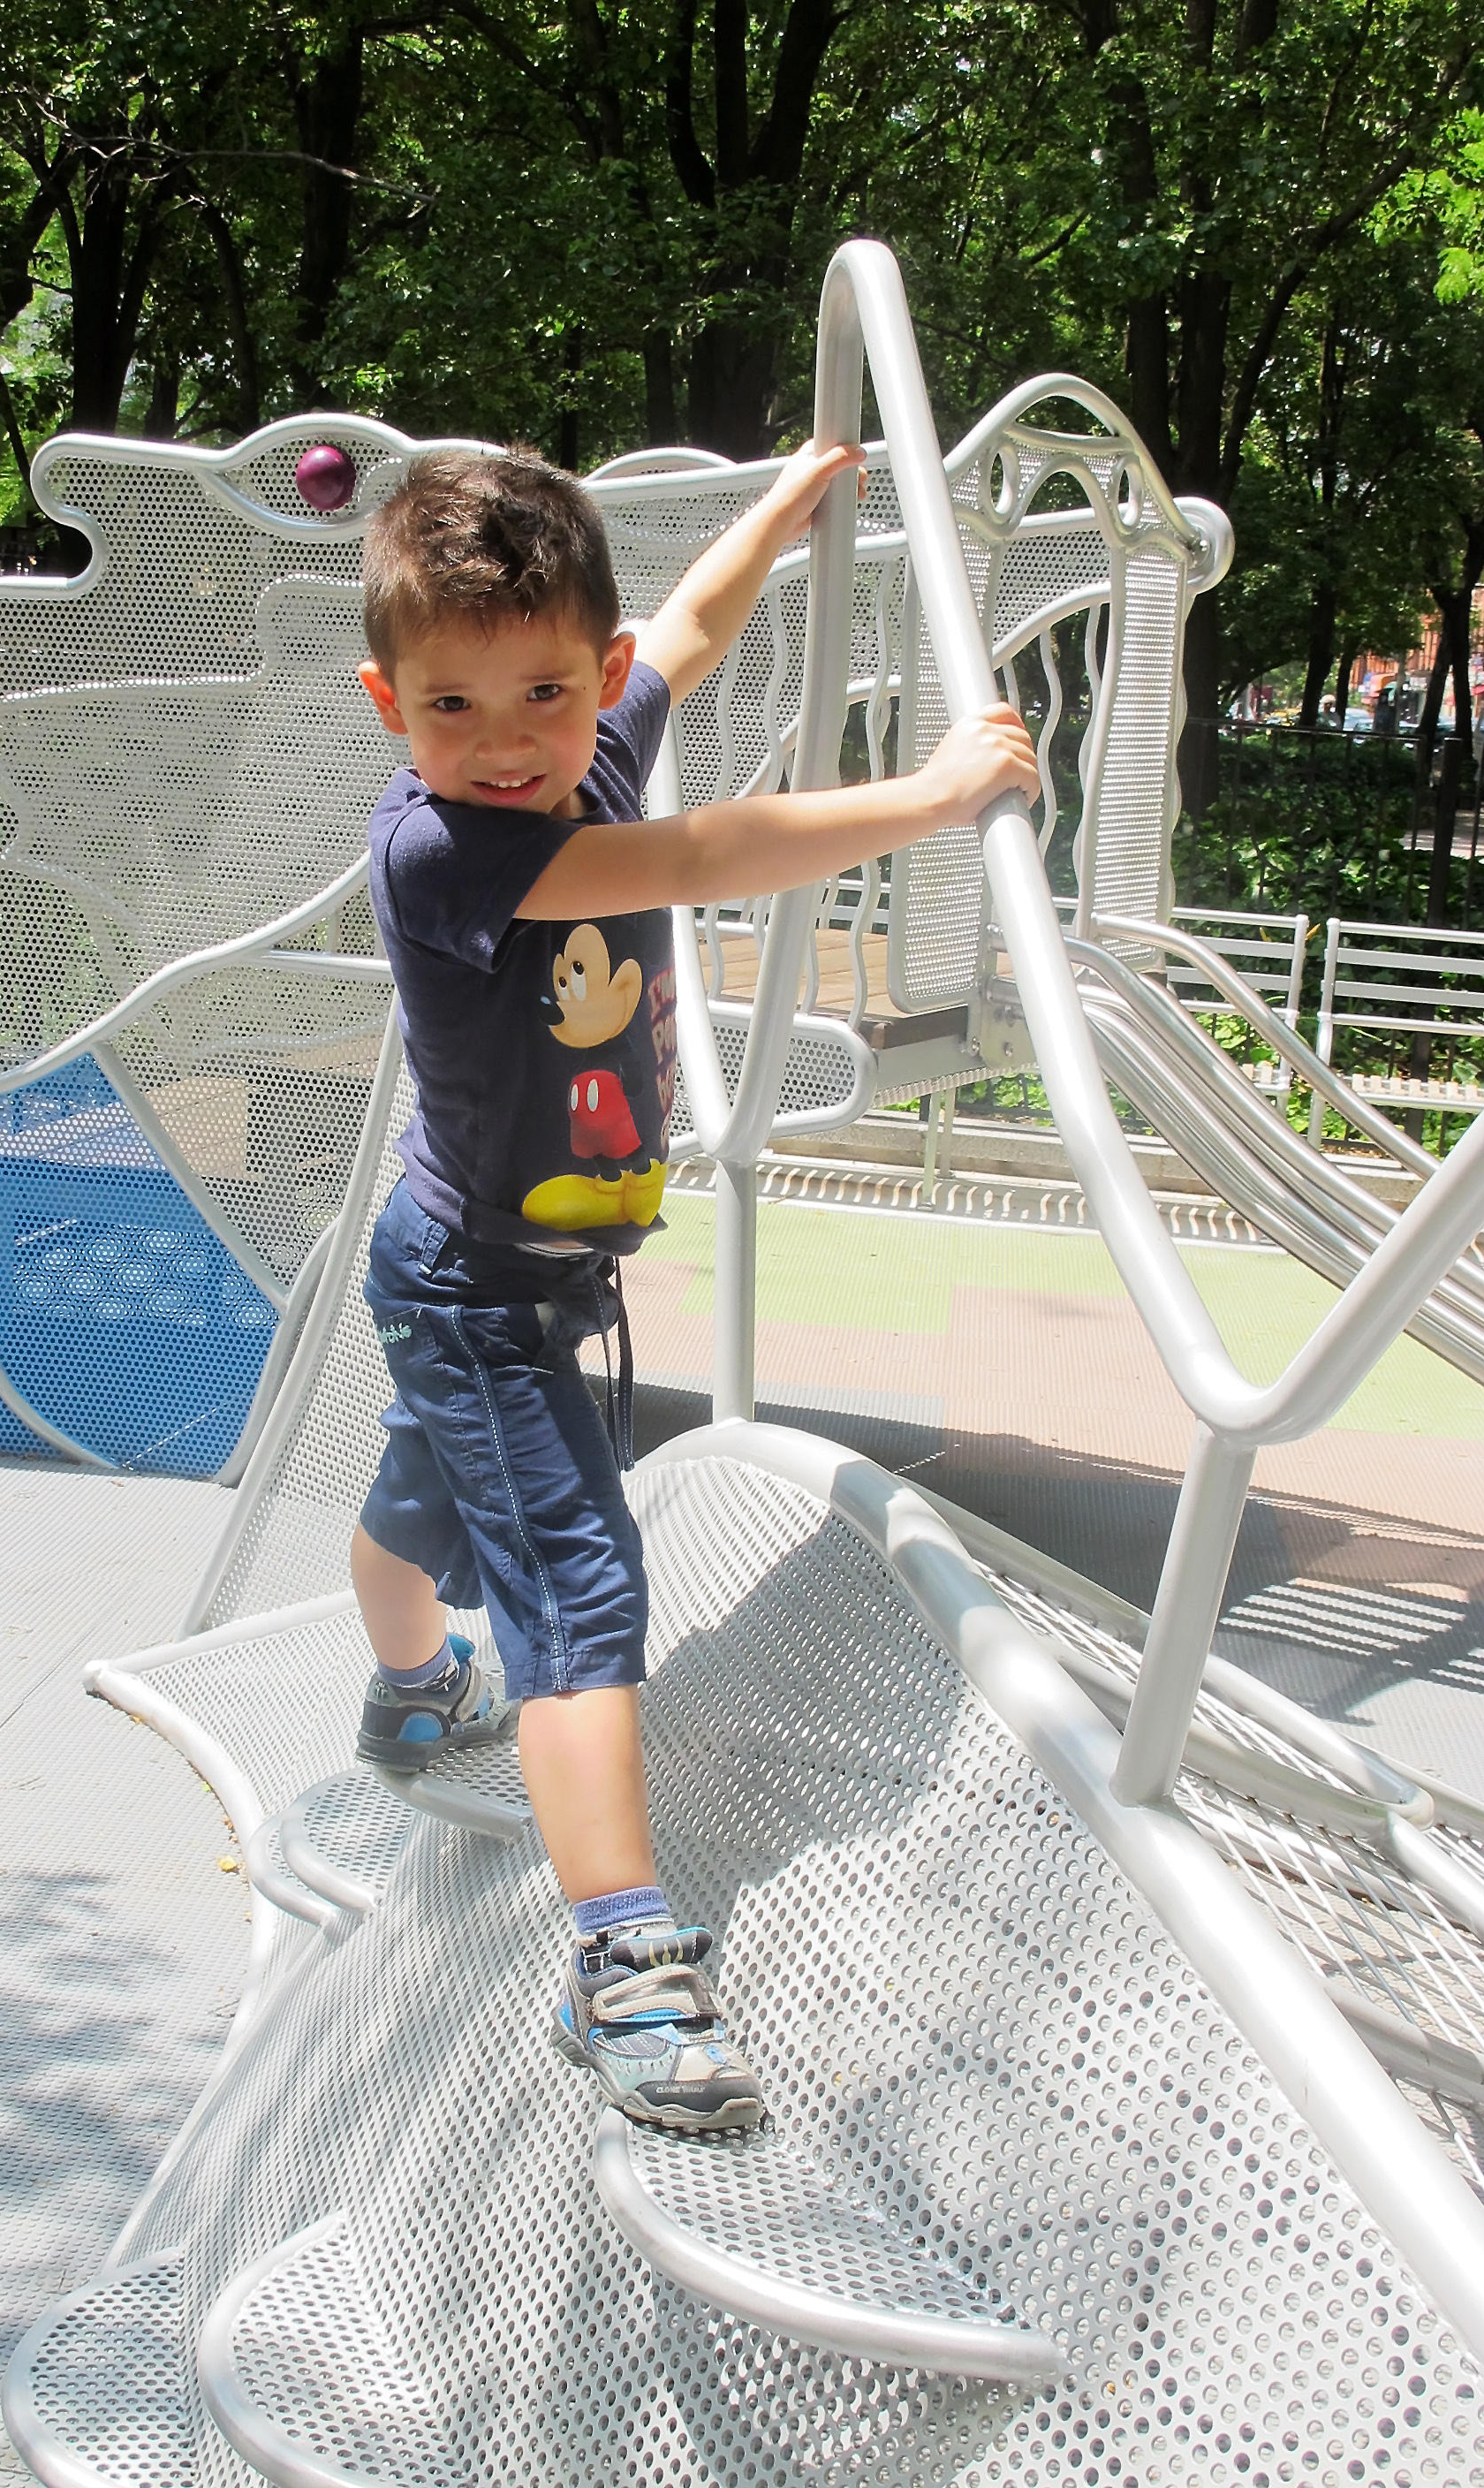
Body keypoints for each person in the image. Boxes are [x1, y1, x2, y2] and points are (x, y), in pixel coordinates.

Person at [348, 443, 1037, 2135]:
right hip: (482, 1292)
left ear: (587, 674)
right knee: (578, 1592)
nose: (505, 739)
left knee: (429, 1507)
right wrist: (937, 799)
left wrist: (790, 504)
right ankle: (621, 1958)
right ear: (390, 707)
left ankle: (408, 1688)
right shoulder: (453, 852)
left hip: (503, 1275)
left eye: (546, 691)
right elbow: (714, 857)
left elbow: (692, 630)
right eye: (454, 706)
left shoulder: (587, 754)